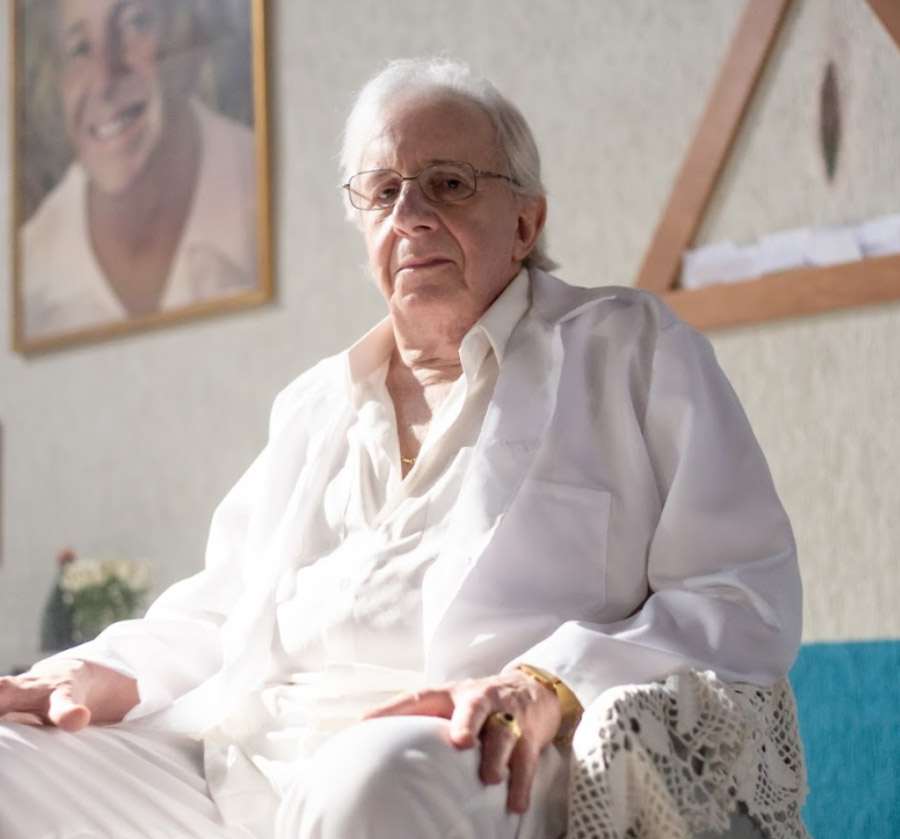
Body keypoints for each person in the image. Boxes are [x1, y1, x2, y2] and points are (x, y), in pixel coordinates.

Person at [0, 57, 803, 839]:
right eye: (383, 191)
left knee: (363, 785)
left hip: (461, 749)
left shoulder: (627, 349)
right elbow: (221, 609)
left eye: (448, 183)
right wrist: (96, 669)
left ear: (526, 223)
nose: (410, 214)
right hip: (249, 762)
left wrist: (549, 680)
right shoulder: (315, 404)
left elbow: (741, 591)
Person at [19, 0, 259, 343]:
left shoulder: (275, 200)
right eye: (79, 49)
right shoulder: (31, 277)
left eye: (135, 24)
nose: (104, 80)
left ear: (187, 37)